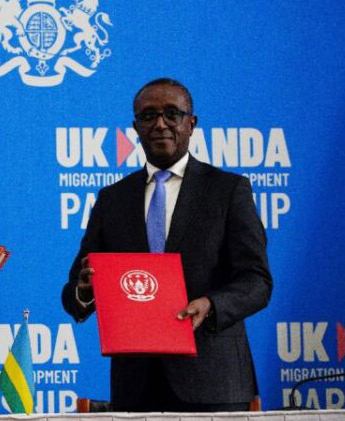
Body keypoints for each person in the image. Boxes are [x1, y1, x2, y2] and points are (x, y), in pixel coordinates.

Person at [62, 78, 273, 412]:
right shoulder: (112, 200)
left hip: (214, 381)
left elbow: (257, 282)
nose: (160, 123)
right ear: (136, 128)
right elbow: (75, 292)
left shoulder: (228, 190)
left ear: (191, 124)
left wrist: (211, 305)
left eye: (171, 114)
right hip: (137, 387)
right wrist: (86, 290)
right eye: (148, 116)